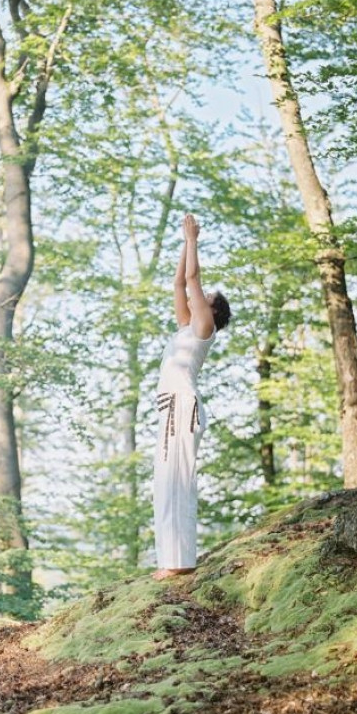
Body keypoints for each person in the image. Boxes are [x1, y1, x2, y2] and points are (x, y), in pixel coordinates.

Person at [153, 214, 230, 582]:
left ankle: (181, 560)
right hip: (169, 407)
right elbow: (178, 282)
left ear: (213, 311)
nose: (201, 296)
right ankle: (170, 558)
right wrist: (185, 245)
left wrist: (193, 239)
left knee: (179, 478)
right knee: (166, 480)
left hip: (184, 406)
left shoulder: (204, 327)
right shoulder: (187, 324)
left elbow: (191, 279)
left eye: (207, 298)